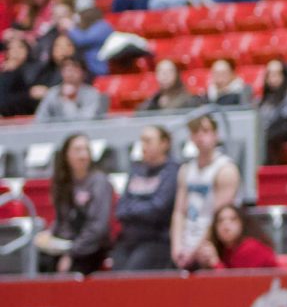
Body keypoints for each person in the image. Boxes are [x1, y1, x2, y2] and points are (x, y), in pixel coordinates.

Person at [34, 133, 113, 274]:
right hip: (64, 244)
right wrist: (49, 234)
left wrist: (72, 253)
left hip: (90, 248)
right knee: (38, 261)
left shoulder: (99, 182)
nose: (83, 155)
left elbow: (98, 227)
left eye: (86, 150)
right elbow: (61, 219)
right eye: (77, 150)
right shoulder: (62, 182)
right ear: (66, 155)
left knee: (68, 270)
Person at [171, 113, 241, 270]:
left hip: (210, 243)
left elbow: (218, 218)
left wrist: (194, 250)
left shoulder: (225, 169)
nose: (201, 137)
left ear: (216, 135)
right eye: (196, 132)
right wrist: (176, 246)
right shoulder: (186, 169)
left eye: (205, 131)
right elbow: (179, 212)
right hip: (187, 239)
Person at [111, 126, 179, 271]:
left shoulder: (172, 172)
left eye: (148, 141)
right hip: (128, 240)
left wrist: (132, 209)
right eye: (142, 141)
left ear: (164, 143)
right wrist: (138, 208)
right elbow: (121, 207)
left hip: (157, 241)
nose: (143, 146)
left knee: (130, 279)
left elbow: (158, 208)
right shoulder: (136, 170)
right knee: (113, 281)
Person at [194, 204, 276, 269]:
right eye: (220, 221)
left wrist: (215, 262)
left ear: (242, 224)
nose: (226, 224)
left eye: (233, 219)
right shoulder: (225, 250)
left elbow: (237, 285)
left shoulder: (250, 247)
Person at [34, 55, 105, 122]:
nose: (69, 73)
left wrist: (68, 100)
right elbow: (40, 120)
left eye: (74, 69)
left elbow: (85, 122)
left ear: (84, 72)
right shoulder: (52, 92)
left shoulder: (92, 94)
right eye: (66, 69)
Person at [138, 58, 205, 112]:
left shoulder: (190, 101)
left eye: (169, 72)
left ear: (177, 75)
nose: (165, 76)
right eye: (161, 72)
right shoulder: (151, 103)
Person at [69, 7, 114, 77]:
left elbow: (82, 40)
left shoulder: (102, 26)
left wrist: (71, 27)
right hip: (89, 70)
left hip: (99, 70)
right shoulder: (90, 29)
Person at [0, 38, 38, 117]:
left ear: (27, 50)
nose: (16, 51)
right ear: (7, 53)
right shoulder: (5, 72)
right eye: (11, 48)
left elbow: (34, 93)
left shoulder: (37, 69)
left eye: (20, 47)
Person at [256, 58, 287, 130]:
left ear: (284, 76)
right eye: (269, 74)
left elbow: (284, 118)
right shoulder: (261, 100)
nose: (272, 78)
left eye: (276, 74)